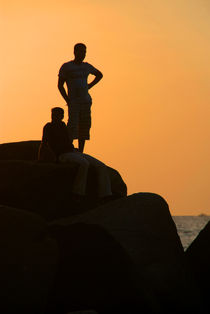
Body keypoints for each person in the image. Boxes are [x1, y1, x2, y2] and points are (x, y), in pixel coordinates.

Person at [38, 107, 112, 199]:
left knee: (101, 165)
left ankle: (106, 194)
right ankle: (78, 192)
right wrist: (41, 159)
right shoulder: (48, 127)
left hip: (73, 152)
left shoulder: (63, 125)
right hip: (62, 155)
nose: (55, 117)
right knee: (84, 164)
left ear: (62, 116)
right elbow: (43, 144)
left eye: (58, 115)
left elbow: (68, 141)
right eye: (54, 115)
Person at [58, 43, 103, 153]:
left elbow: (99, 75)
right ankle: (69, 148)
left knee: (84, 125)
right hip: (74, 101)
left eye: (84, 52)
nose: (83, 54)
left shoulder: (86, 66)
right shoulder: (67, 67)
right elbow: (60, 85)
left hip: (85, 101)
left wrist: (89, 86)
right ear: (75, 52)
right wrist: (67, 100)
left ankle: (81, 151)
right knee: (72, 125)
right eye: (81, 51)